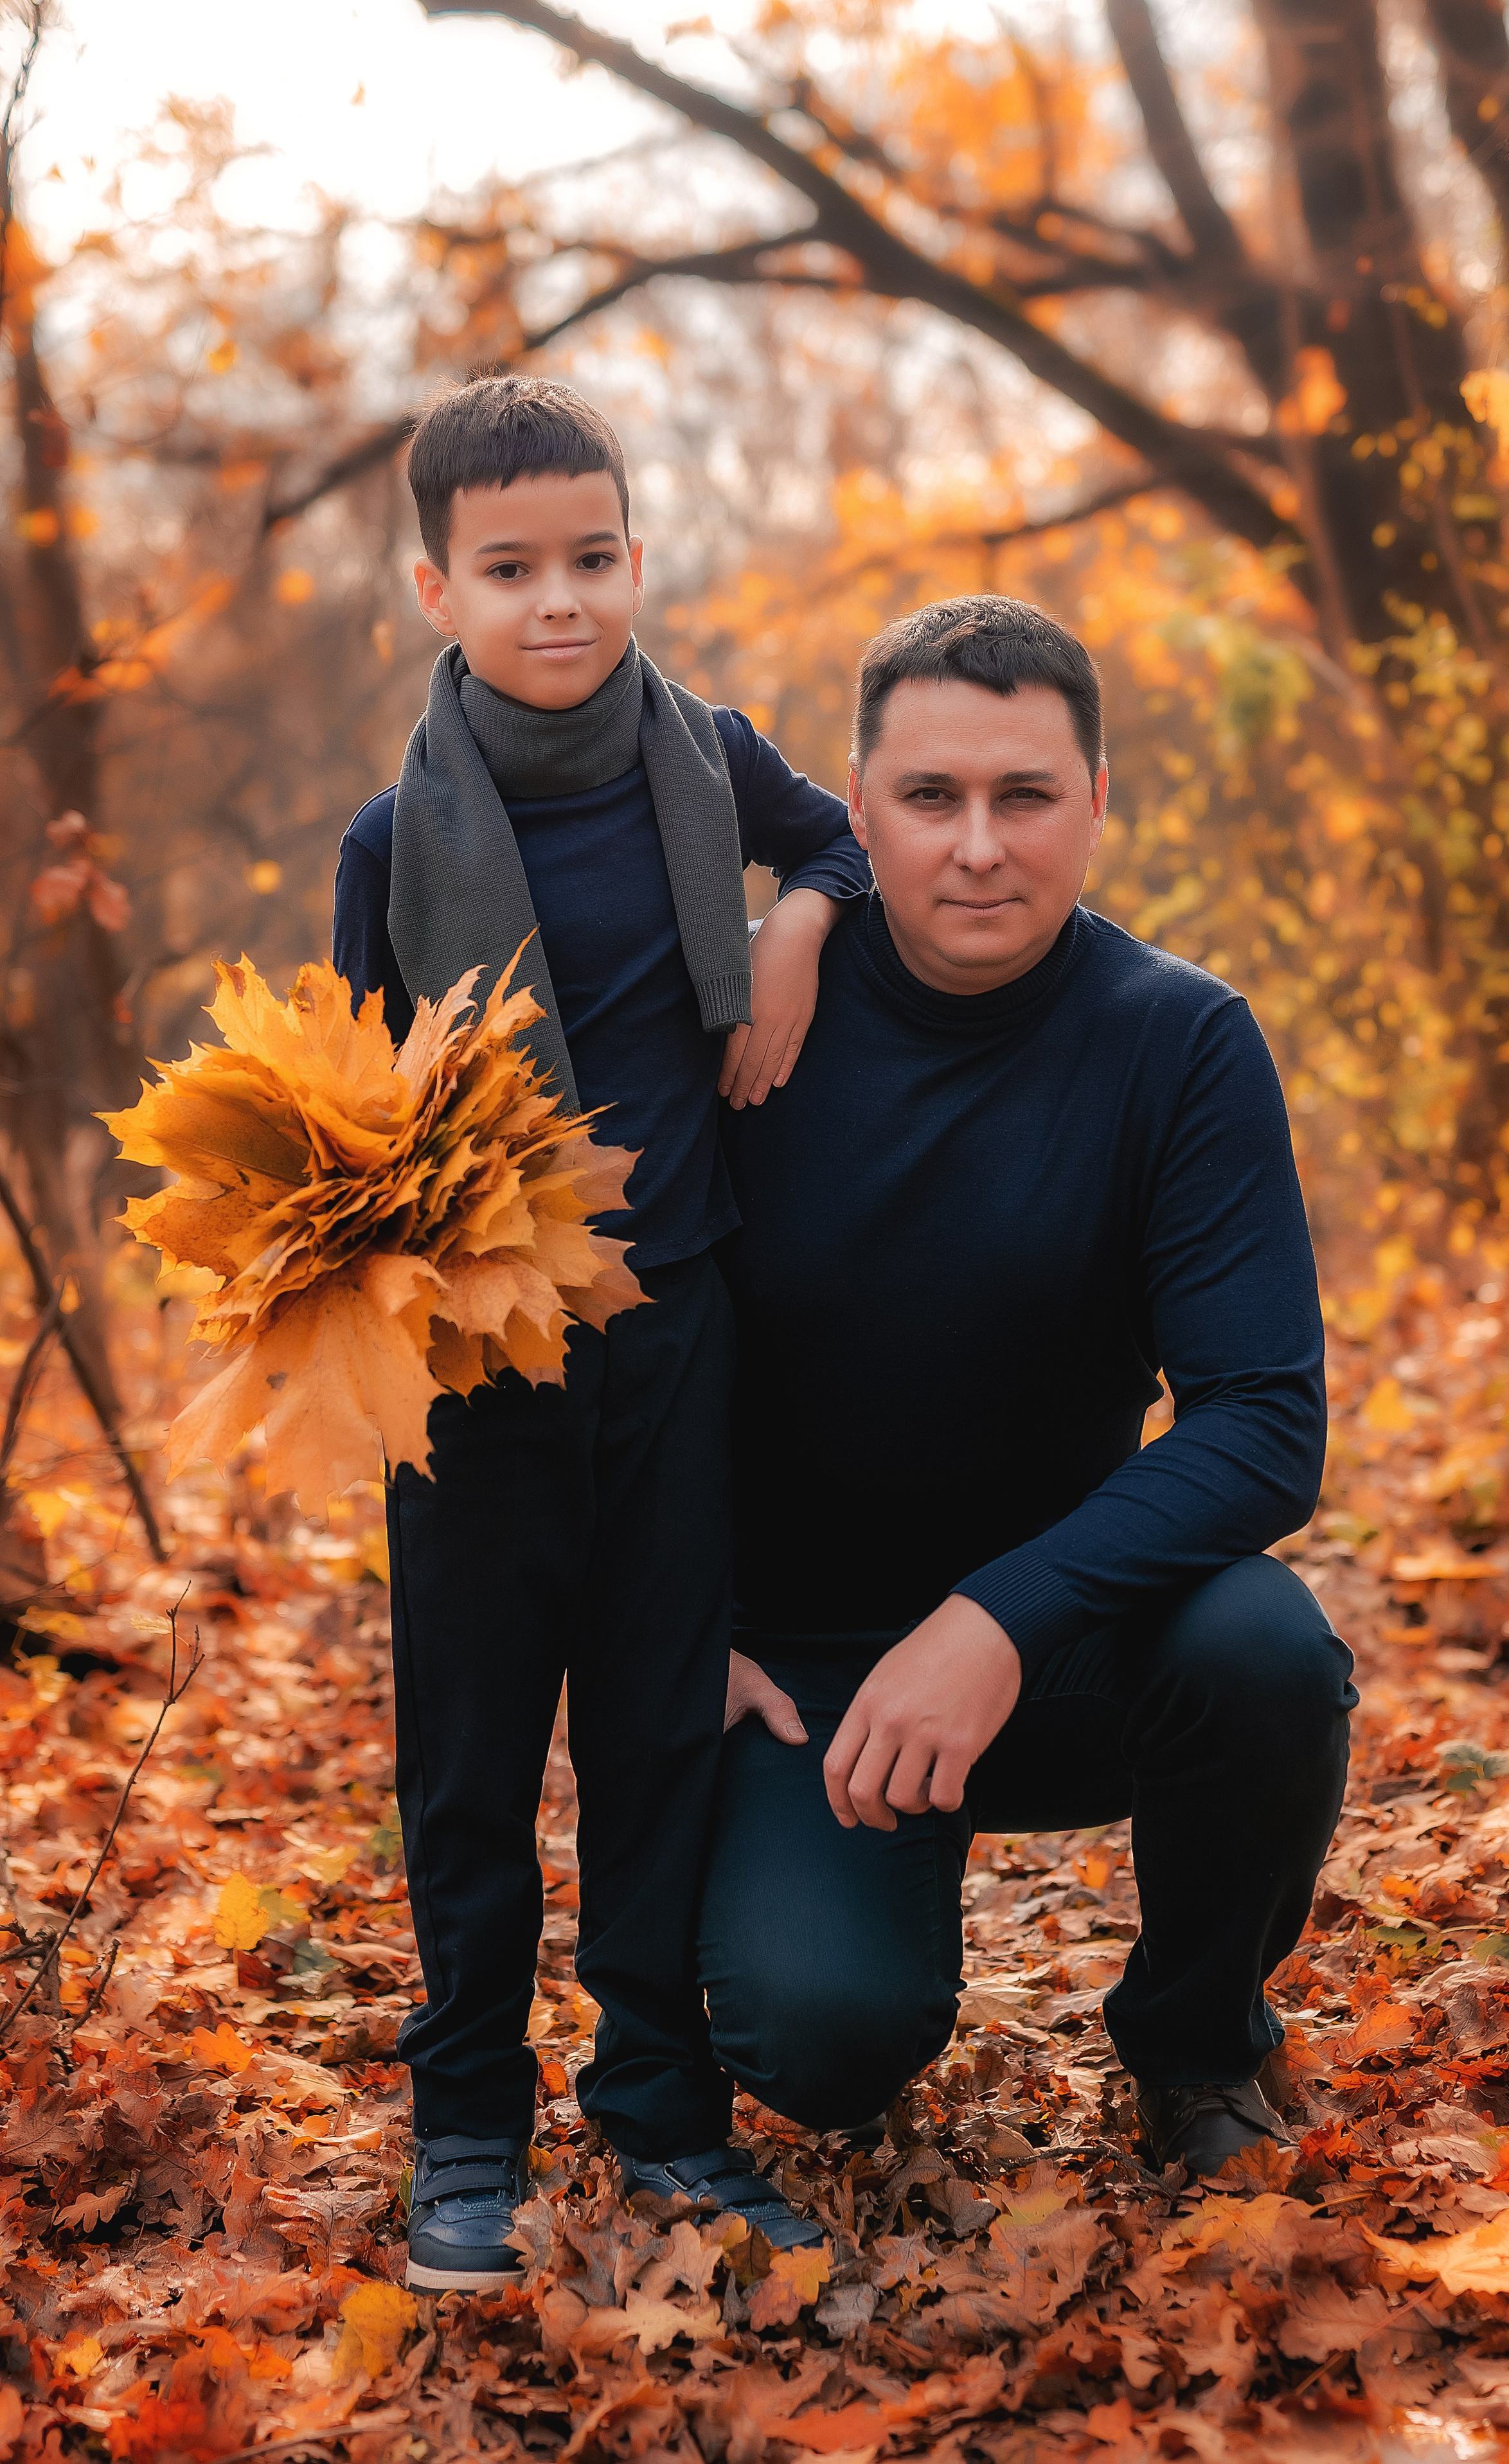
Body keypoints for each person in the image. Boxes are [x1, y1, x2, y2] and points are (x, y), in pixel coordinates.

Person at [706, 596, 1355, 2203]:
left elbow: (1262, 1419)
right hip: (791, 1674)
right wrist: (659, 1622)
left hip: (1057, 1644)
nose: (978, 847)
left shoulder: (1177, 1042)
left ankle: (1197, 2041)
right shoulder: (739, 1029)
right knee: (820, 2048)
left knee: (1266, 1650)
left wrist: (997, 1617)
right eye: (930, 799)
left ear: (1095, 805)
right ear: (856, 818)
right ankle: (832, 1943)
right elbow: (587, 1365)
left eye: (1025, 797)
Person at [332, 374, 870, 2289]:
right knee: (472, 1750)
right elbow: (353, 1116)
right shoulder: (399, 840)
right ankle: (468, 2116)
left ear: (635, 559)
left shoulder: (712, 757)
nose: (556, 600)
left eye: (587, 558)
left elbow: (845, 848)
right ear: (434, 590)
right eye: (508, 568)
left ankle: (660, 2100)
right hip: (490, 1364)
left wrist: (792, 929)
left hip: (679, 1334)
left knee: (657, 1725)